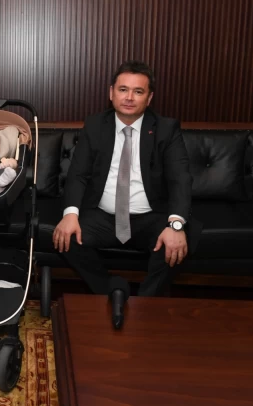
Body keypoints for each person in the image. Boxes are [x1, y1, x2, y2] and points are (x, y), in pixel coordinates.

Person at [52, 60, 199, 297]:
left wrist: (175, 224)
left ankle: (145, 305)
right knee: (65, 237)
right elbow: (78, 174)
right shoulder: (95, 125)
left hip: (150, 216)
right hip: (102, 215)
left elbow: (180, 179)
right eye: (123, 89)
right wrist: (70, 215)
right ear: (111, 93)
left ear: (149, 98)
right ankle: (111, 291)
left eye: (138, 91)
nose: (129, 97)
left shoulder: (165, 129)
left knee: (176, 244)